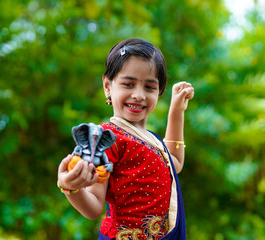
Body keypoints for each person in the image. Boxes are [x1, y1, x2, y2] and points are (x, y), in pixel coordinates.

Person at [57, 38, 194, 240]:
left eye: (149, 87)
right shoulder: (105, 138)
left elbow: (176, 163)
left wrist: (176, 111)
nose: (138, 95)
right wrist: (70, 187)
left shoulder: (153, 140)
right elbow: (93, 206)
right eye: (128, 84)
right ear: (107, 86)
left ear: (159, 92)